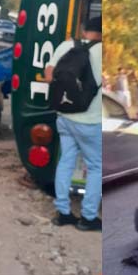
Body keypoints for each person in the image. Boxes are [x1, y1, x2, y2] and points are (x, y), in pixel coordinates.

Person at [44, 16, 103, 231]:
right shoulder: (102, 51)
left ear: (84, 30)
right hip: (90, 120)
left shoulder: (66, 45)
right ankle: (88, 217)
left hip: (64, 116)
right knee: (96, 166)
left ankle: (63, 213)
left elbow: (48, 76)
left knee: (66, 161)